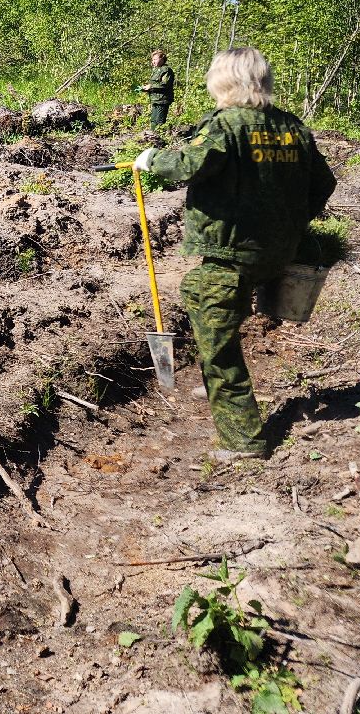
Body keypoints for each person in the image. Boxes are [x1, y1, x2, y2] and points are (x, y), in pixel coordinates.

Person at [134, 47, 336, 462]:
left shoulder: (226, 125)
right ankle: (222, 390)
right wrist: (292, 221)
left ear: (223, 81)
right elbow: (324, 182)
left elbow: (188, 165)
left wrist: (152, 158)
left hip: (229, 252)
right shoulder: (292, 127)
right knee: (227, 313)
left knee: (214, 330)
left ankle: (243, 440)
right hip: (277, 250)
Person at [137, 49, 175, 128]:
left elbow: (164, 85)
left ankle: (158, 134)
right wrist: (145, 88)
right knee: (153, 121)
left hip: (162, 100)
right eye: (152, 60)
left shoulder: (166, 70)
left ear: (162, 59)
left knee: (159, 121)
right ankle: (153, 134)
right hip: (155, 99)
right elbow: (155, 84)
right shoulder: (156, 70)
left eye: (155, 59)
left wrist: (150, 86)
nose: (153, 61)